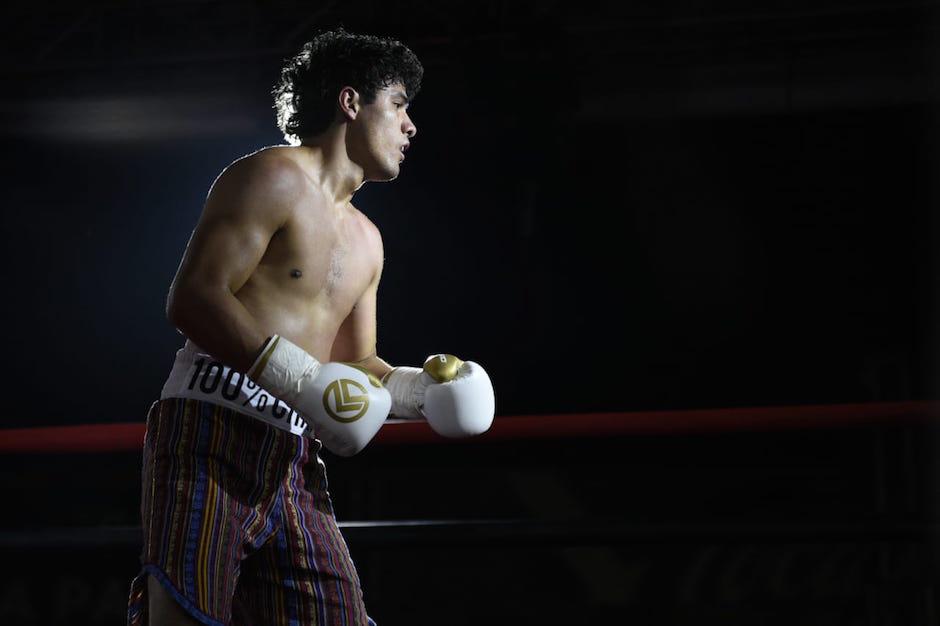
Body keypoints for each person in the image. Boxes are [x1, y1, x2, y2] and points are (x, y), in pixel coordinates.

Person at [127, 28, 495, 626]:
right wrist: (297, 377)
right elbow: (194, 298)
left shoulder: (368, 240)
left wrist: (425, 391)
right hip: (209, 431)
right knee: (186, 614)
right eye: (399, 104)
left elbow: (356, 363)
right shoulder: (270, 176)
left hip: (295, 452)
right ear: (351, 103)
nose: (411, 126)